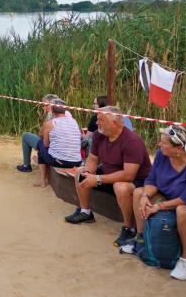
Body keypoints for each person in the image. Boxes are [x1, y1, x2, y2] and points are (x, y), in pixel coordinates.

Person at [122, 125, 186, 281]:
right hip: (172, 198)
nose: (159, 145)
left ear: (178, 148)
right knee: (138, 193)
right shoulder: (162, 155)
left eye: (164, 143)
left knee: (183, 211)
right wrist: (145, 196)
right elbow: (152, 179)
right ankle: (141, 239)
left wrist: (158, 206)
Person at [64, 106, 152, 249]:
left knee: (121, 187)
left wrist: (97, 179)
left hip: (136, 180)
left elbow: (128, 175)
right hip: (108, 173)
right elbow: (92, 159)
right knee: (81, 173)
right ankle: (85, 212)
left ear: (114, 123)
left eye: (101, 120)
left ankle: (129, 228)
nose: (96, 123)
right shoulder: (99, 135)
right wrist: (88, 173)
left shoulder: (132, 141)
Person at [16, 98, 81, 187]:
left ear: (52, 109)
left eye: (46, 105)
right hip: (77, 161)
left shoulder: (50, 123)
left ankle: (41, 180)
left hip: (61, 161)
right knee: (43, 147)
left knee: (41, 145)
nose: (45, 107)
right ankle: (41, 172)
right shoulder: (74, 121)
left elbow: (45, 144)